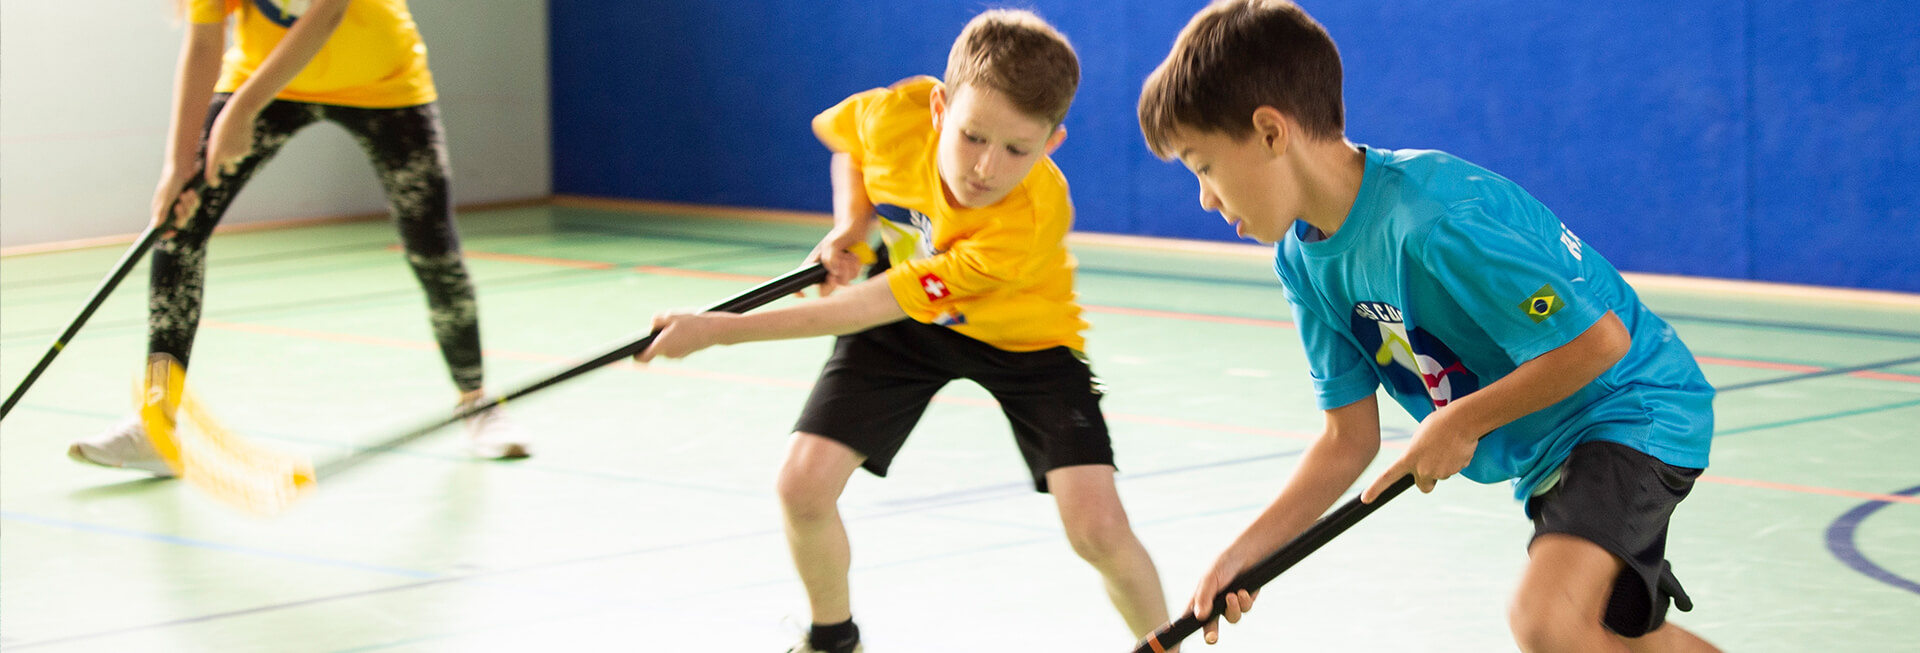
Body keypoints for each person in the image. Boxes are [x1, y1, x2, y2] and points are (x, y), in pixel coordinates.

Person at [1134, 2, 1720, 651]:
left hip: (1630, 406)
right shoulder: (1301, 259)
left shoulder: (1435, 219)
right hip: (1552, 445)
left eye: (1204, 166)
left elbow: (1600, 342)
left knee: (1546, 621)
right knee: (1605, 634)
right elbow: (1346, 439)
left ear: (1272, 133)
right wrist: (1245, 553)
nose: (1205, 199)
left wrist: (1463, 420)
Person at [636, 10, 1173, 652]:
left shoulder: (1025, 223)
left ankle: (1163, 646)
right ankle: (832, 639)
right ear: (941, 107)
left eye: (1017, 151)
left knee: (1096, 528)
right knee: (802, 487)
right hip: (909, 319)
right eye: (973, 136)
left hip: (1025, 339)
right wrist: (851, 226)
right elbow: (852, 152)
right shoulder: (896, 116)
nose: (986, 169)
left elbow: (860, 309)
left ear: (1052, 143)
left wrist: (720, 330)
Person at [69, 0, 529, 474]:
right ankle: (157, 425)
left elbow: (328, 13)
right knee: (178, 227)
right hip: (264, 76)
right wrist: (177, 165)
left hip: (383, 84)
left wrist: (242, 109)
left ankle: (477, 403)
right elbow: (204, 41)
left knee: (432, 248)